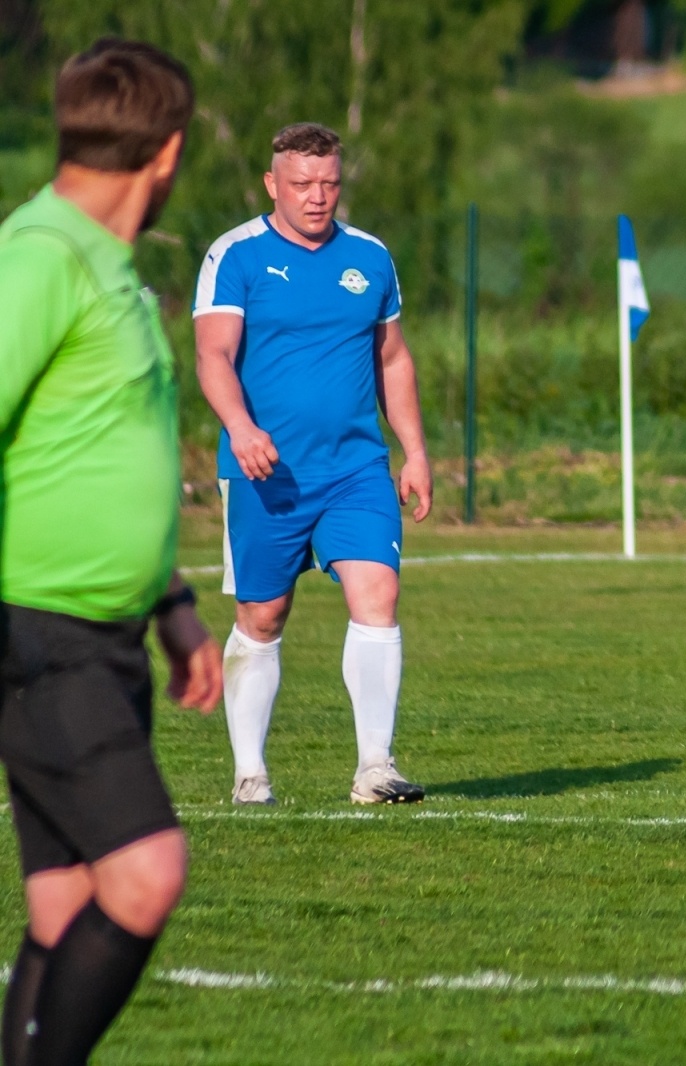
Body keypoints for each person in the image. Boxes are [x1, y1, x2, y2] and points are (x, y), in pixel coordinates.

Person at [0, 38, 224, 1065]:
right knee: (146, 873)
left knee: (66, 905)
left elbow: (92, 456)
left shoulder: (107, 268)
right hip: (42, 630)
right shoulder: (41, 258)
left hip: (106, 628)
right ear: (168, 153)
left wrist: (173, 603)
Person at [192, 123, 433, 807]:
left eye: (328, 183)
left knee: (378, 598)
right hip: (266, 472)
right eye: (302, 184)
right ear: (273, 184)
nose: (317, 197)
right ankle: (250, 775)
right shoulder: (234, 255)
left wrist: (415, 451)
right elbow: (213, 356)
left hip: (356, 469)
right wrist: (239, 428)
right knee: (263, 616)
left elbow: (392, 358)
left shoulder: (371, 258)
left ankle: (375, 767)